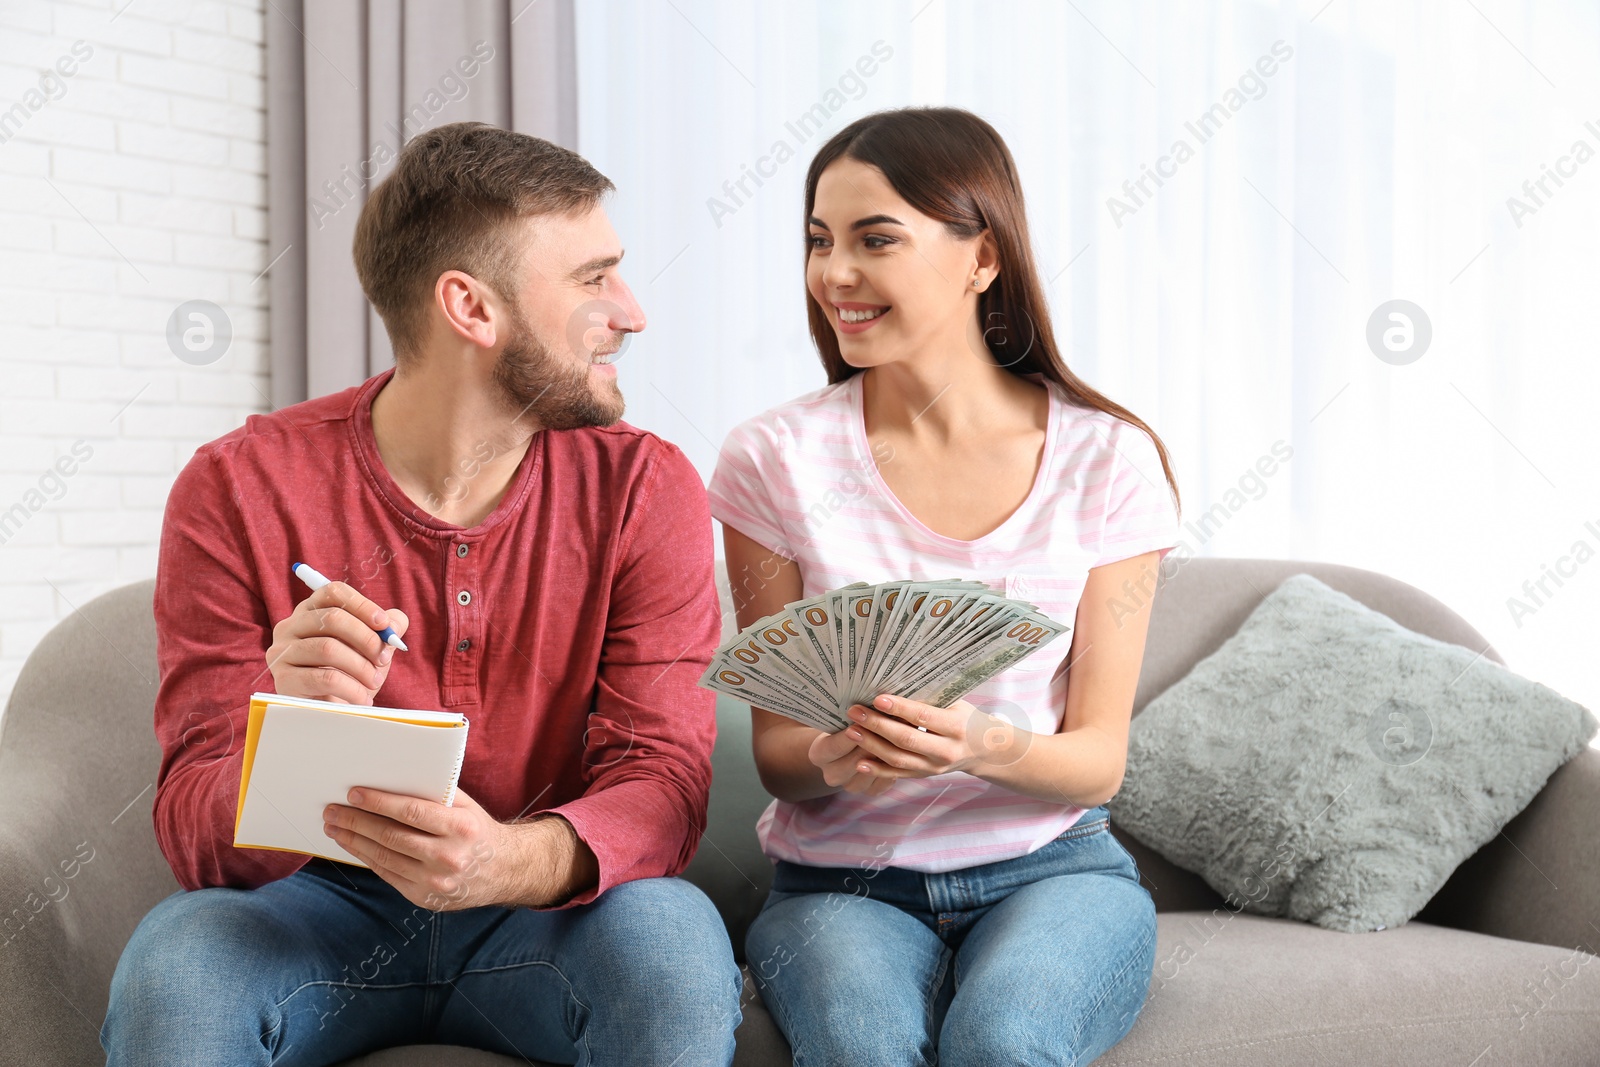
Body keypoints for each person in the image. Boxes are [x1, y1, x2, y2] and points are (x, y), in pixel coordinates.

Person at [101, 122, 741, 1067]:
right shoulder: (235, 487)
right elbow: (194, 833)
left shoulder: (647, 489)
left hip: (548, 915)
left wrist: (503, 862)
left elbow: (666, 785)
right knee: (177, 969)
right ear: (470, 308)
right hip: (314, 912)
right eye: (593, 278)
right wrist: (286, 723)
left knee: (674, 943)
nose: (632, 311)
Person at [709, 107, 1182, 1066]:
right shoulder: (774, 459)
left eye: (875, 239)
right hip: (839, 888)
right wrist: (837, 752)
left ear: (982, 257)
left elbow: (1097, 761)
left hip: (1056, 870)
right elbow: (780, 757)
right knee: (860, 1048)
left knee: (1005, 1040)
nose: (835, 273)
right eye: (819, 241)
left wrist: (972, 743)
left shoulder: (1108, 461)